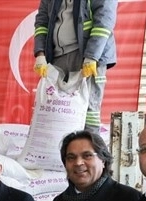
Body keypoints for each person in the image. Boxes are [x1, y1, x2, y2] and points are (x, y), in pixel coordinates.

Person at [33, 0, 117, 134]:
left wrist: (92, 56)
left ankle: (89, 144)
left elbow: (104, 19)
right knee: (56, 109)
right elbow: (42, 22)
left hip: (86, 55)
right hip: (57, 56)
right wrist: (40, 53)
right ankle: (60, 146)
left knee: (89, 110)